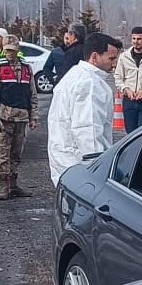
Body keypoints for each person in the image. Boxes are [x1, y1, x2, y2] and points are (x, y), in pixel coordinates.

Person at [47, 32, 121, 186]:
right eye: (111, 59)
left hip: (65, 161)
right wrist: (96, 172)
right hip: (81, 168)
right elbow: (88, 130)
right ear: (95, 57)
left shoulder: (74, 75)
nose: (114, 64)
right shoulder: (90, 84)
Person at [0, 40, 37, 199]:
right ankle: (4, 186)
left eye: (12, 50)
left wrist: (33, 117)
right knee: (2, 151)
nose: (9, 53)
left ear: (17, 50)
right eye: (7, 50)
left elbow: (32, 94)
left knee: (16, 153)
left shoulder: (26, 68)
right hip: (4, 116)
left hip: (22, 116)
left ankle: (13, 184)